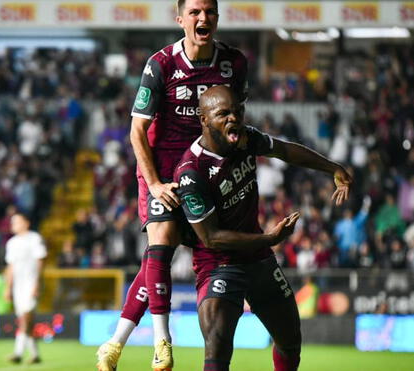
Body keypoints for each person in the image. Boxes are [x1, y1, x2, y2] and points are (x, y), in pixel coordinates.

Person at [96, 0, 248, 370]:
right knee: (161, 244)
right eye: (194, 12)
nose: (202, 18)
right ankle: (162, 343)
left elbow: (234, 124)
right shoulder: (160, 64)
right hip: (161, 171)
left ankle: (114, 343)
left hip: (204, 172)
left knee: (152, 264)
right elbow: (137, 132)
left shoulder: (235, 64)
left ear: (216, 17)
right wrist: (154, 183)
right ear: (180, 19)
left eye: (209, 11)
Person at [173, 86, 352, 370]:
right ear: (203, 119)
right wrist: (269, 238)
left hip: (258, 259)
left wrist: (332, 168)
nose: (234, 118)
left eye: (238, 111)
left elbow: (284, 150)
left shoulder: (246, 139)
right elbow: (211, 238)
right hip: (219, 264)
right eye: (223, 114)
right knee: (217, 347)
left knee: (290, 340)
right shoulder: (191, 172)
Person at [4, 213, 47, 364]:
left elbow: (40, 262)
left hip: (30, 284)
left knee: (26, 318)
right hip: (18, 286)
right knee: (25, 321)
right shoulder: (11, 243)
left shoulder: (34, 239)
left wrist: (37, 283)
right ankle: (35, 355)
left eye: (17, 221)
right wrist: (8, 288)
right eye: (12, 222)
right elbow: (10, 267)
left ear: (26, 223)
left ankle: (18, 352)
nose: (13, 224)